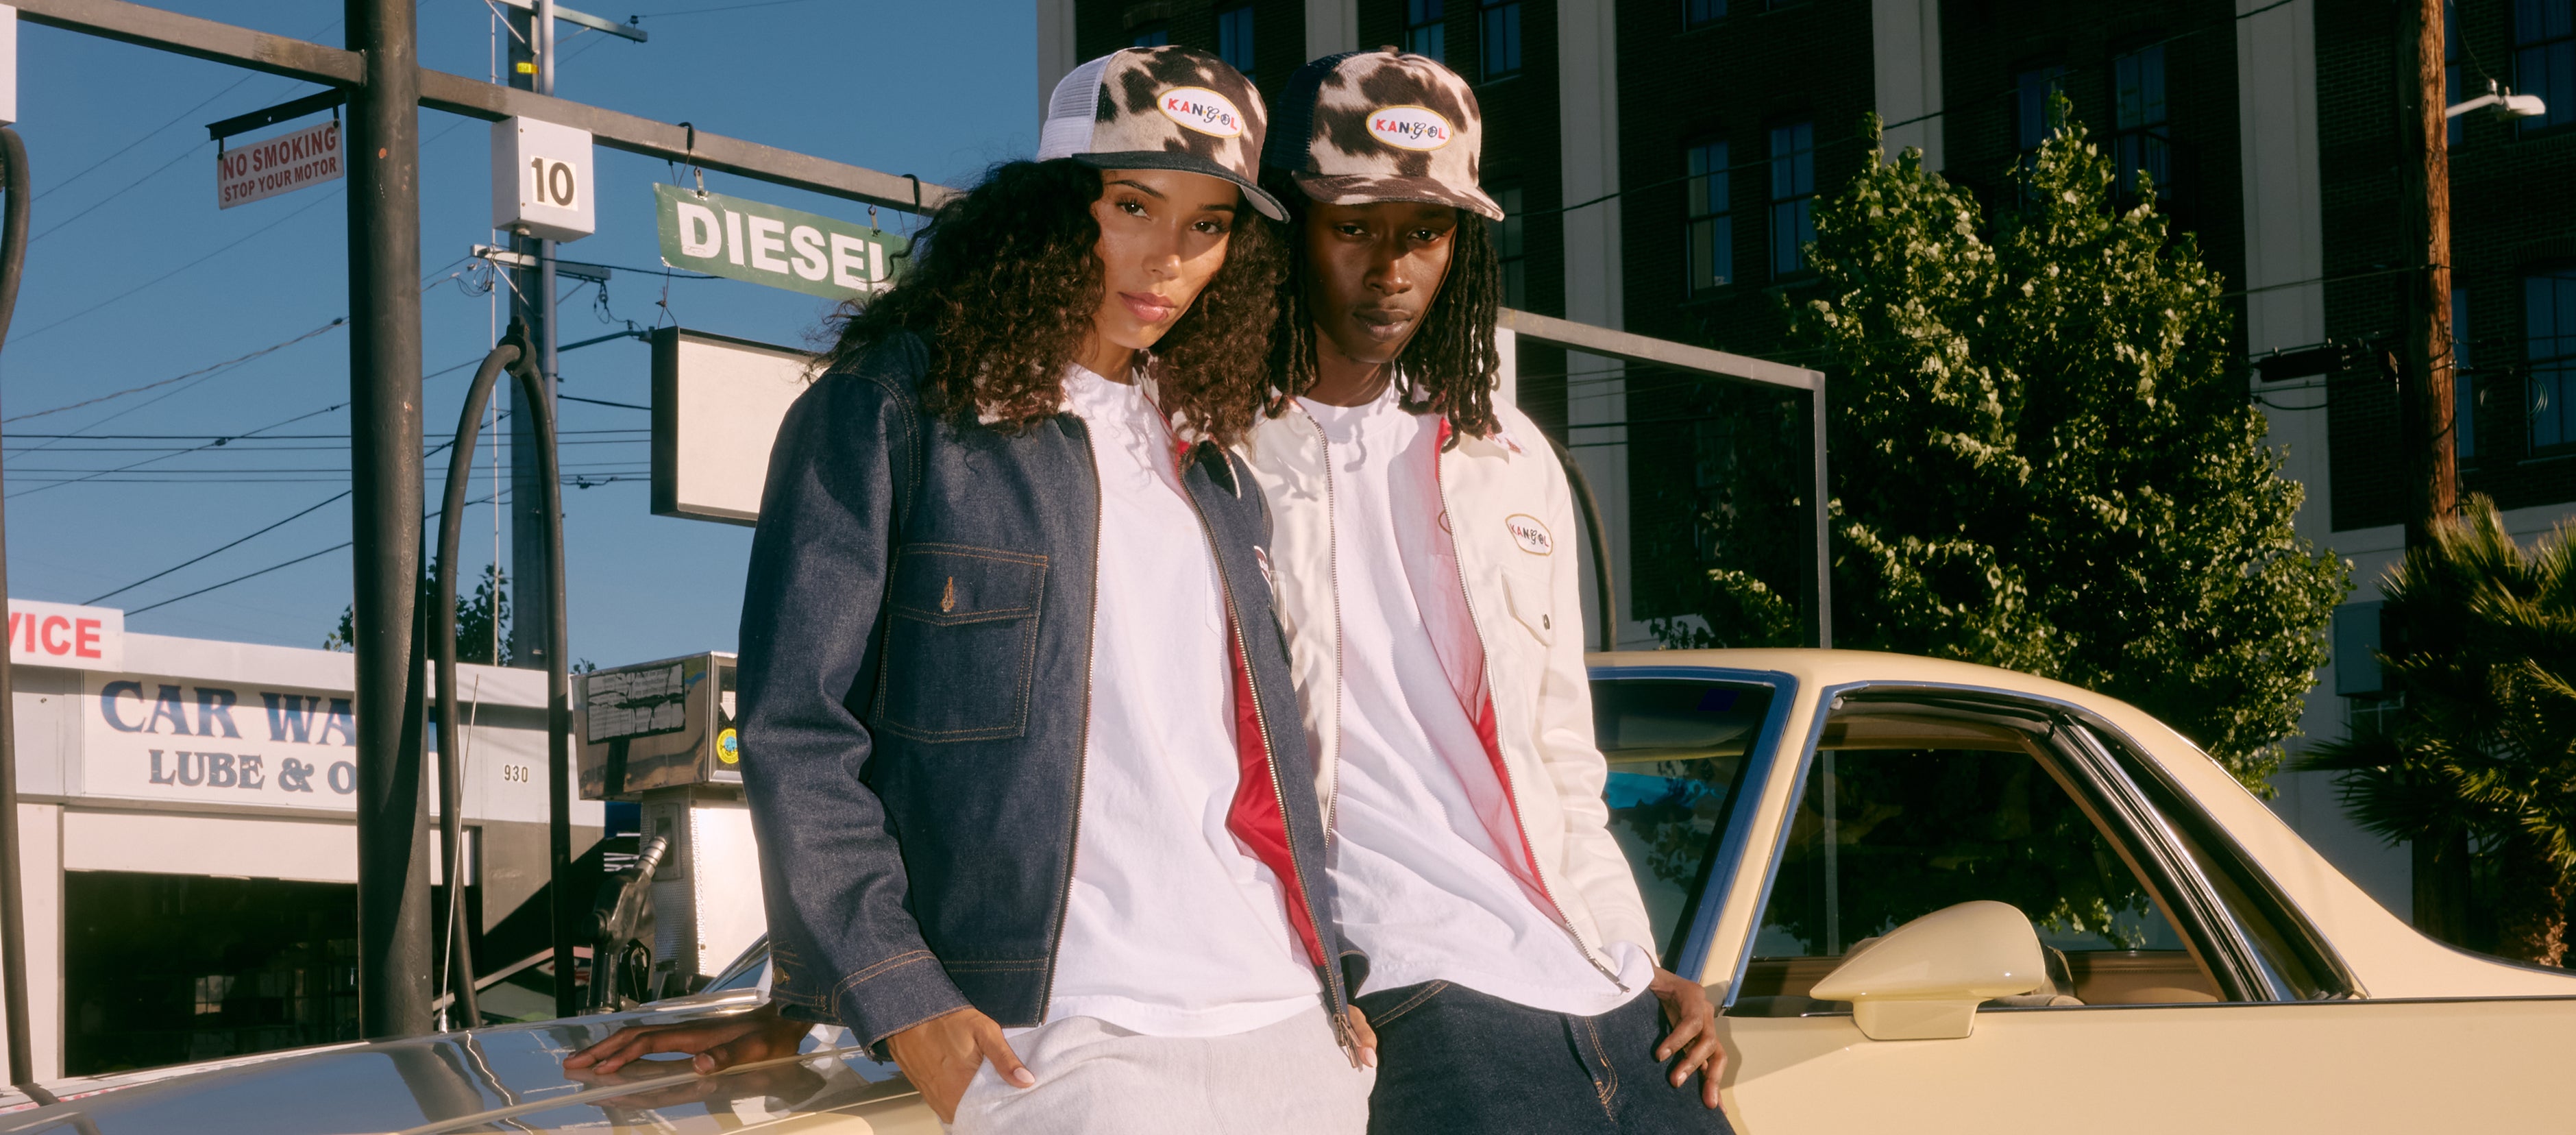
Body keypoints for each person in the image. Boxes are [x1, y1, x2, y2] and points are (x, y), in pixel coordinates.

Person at [566, 46, 1366, 1135]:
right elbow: (802, 729)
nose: (1168, 257)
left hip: (1284, 1029)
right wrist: (890, 995)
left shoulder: (1217, 468)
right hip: (1060, 1045)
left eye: (1208, 224)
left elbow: (1261, 753)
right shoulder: (897, 411)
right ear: (1046, 204)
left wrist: (1327, 967)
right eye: (1132, 204)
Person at [1238, 49, 1732, 1134]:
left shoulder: (1507, 455)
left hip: (1599, 989)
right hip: (1406, 994)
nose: (1393, 268)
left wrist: (1639, 958)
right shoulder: (1215, 448)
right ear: (1289, 228)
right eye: (1355, 225)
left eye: (1426, 231)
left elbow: (1561, 753)